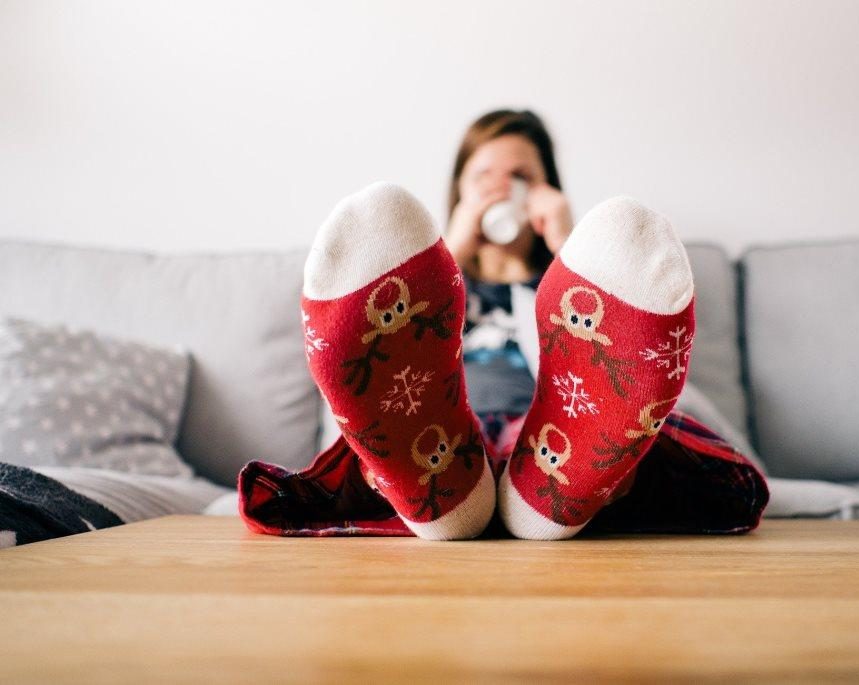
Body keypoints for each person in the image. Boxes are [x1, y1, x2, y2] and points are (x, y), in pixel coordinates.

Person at [237, 110, 768, 541]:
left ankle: (529, 492)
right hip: (434, 428)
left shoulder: (583, 288)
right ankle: (463, 492)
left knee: (619, 437)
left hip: (558, 426)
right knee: (394, 441)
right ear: (458, 196)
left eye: (522, 179)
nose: (503, 191)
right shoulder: (425, 287)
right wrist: (452, 250)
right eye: (484, 179)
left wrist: (569, 246)